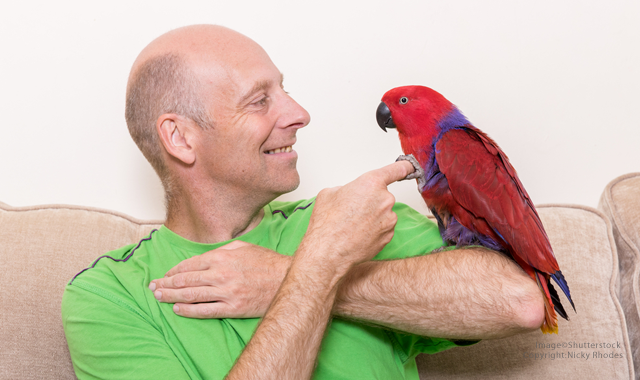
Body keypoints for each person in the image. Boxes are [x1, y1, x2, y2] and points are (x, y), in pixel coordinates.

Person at [62, 24, 544, 380]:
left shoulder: (350, 221)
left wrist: (293, 277)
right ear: (181, 139)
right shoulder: (110, 296)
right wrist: (316, 271)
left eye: (285, 90)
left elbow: (520, 302)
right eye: (259, 100)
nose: (300, 114)